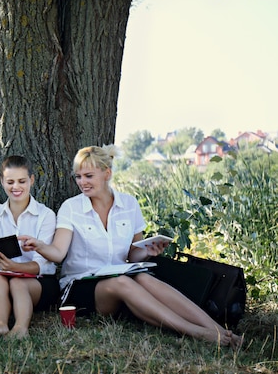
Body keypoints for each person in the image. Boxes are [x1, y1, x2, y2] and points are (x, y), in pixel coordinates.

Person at [20, 145, 243, 347]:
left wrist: (148, 251)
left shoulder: (129, 204)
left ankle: (220, 330)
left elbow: (133, 255)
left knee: (145, 277)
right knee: (122, 283)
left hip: (121, 276)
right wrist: (39, 245)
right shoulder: (71, 207)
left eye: (88, 176)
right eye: (78, 176)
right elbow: (58, 253)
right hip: (80, 286)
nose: (82, 182)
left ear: (107, 174)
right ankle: (196, 332)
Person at [0, 155, 59, 339]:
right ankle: (1, 326)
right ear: (2, 181)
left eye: (21, 181)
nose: (15, 187)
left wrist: (14, 267)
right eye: (10, 181)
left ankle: (20, 328)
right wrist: (6, 266)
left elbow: (42, 265)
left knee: (18, 282)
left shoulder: (45, 215)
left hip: (39, 283)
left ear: (31, 180)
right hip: (4, 279)